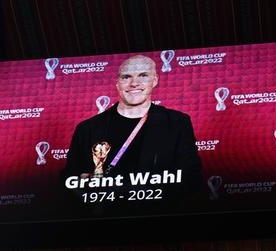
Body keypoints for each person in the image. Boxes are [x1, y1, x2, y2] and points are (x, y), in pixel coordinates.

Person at [62, 55, 202, 196]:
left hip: (158, 212)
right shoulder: (88, 128)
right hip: (105, 212)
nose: (134, 83)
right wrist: (84, 181)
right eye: (126, 77)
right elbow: (69, 180)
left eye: (143, 75)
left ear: (154, 80)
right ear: (117, 83)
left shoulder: (177, 123)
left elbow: (190, 176)